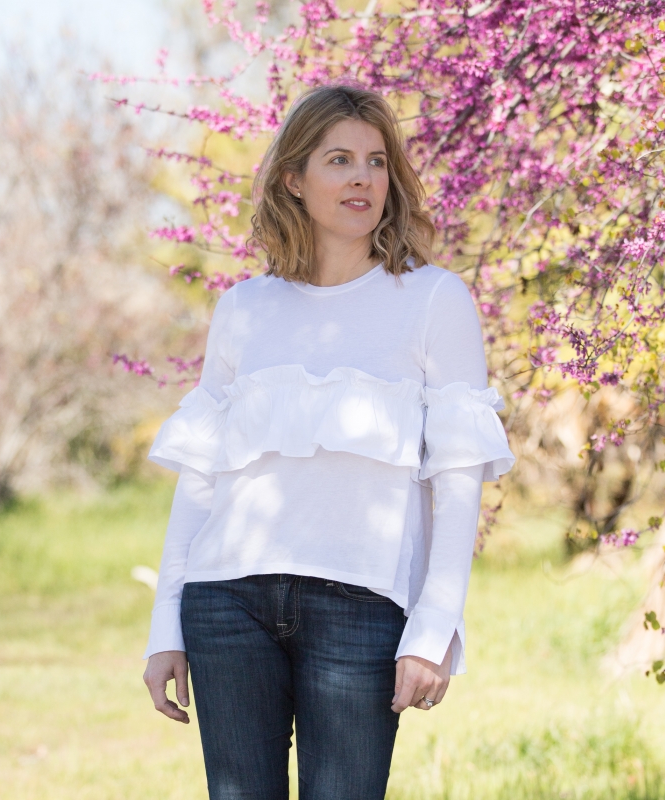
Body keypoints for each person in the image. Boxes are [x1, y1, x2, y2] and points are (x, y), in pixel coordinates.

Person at [142, 84, 515, 800]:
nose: (361, 178)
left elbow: (458, 483)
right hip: (227, 603)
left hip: (362, 607)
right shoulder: (244, 309)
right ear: (293, 178)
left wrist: (432, 630)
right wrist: (167, 624)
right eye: (338, 159)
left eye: (376, 162)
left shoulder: (435, 300)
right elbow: (201, 481)